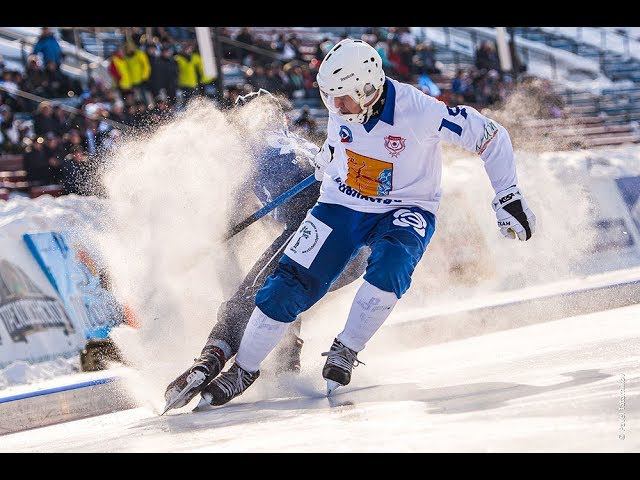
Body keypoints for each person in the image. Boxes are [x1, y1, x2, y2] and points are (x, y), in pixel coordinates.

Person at [199, 38, 537, 407]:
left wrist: (508, 195)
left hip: (405, 208)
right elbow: (339, 141)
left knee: (391, 265)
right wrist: (329, 157)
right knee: (287, 283)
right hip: (342, 204)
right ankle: (244, 369)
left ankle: (346, 347)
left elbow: (490, 135)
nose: (333, 106)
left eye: (340, 98)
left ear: (367, 88)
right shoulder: (342, 109)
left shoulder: (419, 111)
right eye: (328, 98)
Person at [163, 89, 368, 412]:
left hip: (318, 227)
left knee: (248, 298)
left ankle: (212, 359)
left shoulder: (250, 153)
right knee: (286, 293)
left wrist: (212, 246)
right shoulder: (306, 145)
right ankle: (286, 363)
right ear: (282, 119)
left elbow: (233, 219)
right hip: (356, 249)